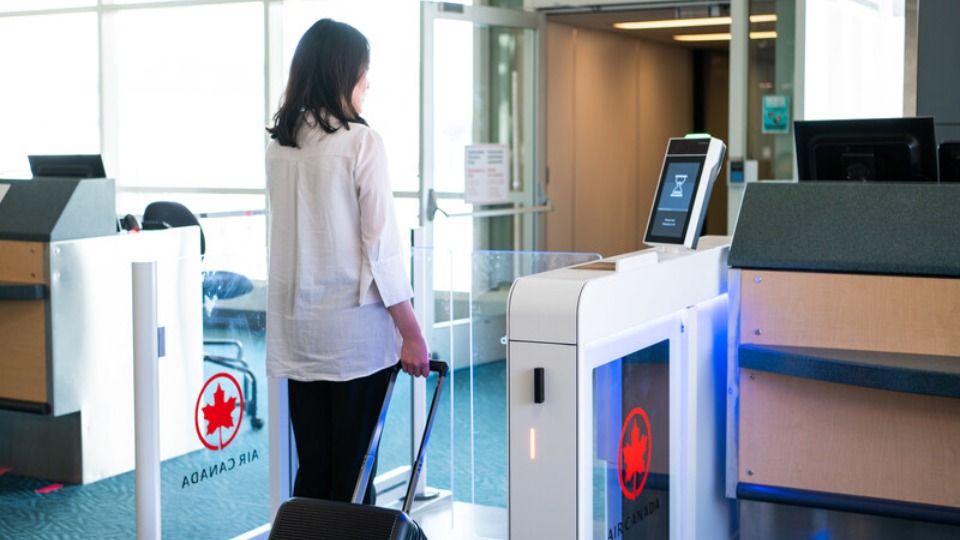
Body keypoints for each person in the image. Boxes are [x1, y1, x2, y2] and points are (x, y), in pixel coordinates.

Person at [264, 18, 430, 505]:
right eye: (363, 71)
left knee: (314, 474)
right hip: (354, 340)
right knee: (355, 482)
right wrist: (411, 332)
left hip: (301, 335)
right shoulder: (361, 142)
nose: (368, 83)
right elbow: (381, 249)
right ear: (343, 73)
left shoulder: (280, 146)